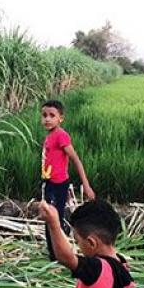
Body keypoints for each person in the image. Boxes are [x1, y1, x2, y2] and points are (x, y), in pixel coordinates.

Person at [40, 99, 95, 261]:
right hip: (48, 183)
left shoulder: (61, 136)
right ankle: (55, 253)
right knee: (48, 219)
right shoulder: (50, 136)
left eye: (52, 115)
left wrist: (86, 185)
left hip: (58, 185)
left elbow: (76, 159)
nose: (47, 119)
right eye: (44, 115)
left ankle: (59, 256)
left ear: (60, 118)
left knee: (54, 219)